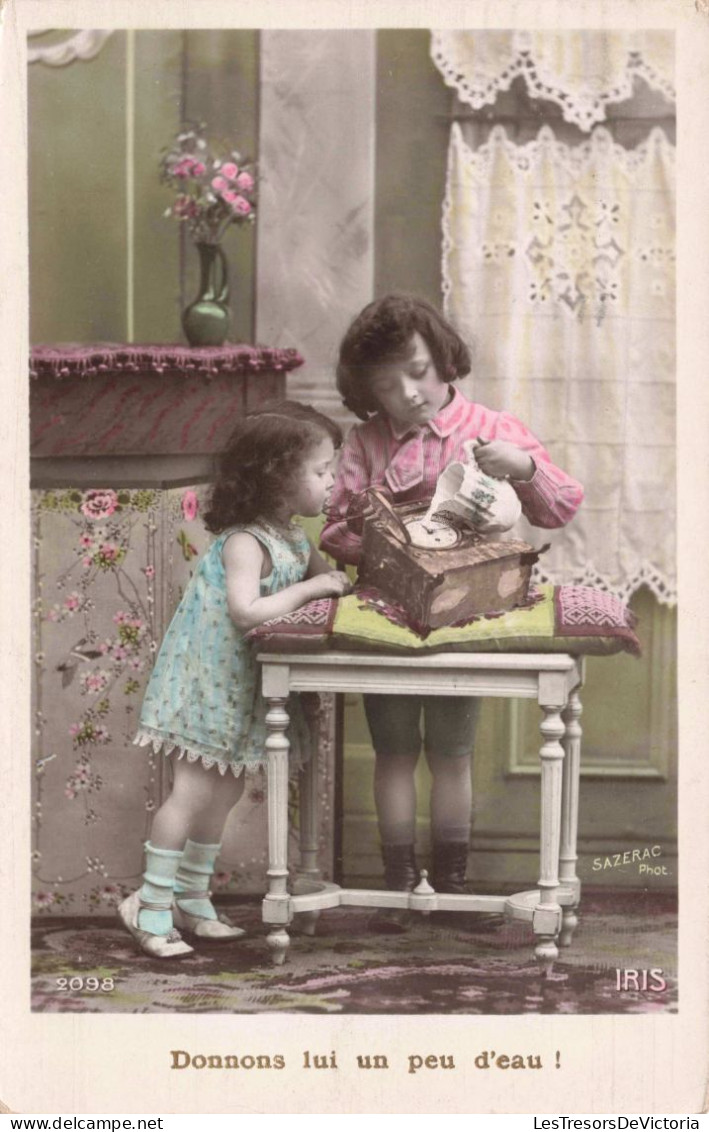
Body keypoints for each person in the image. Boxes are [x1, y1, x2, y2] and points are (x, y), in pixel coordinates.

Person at [320, 294, 583, 922]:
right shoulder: (363, 444)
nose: (409, 392)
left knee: (451, 753)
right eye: (387, 385)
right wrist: (377, 530)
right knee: (393, 752)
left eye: (417, 370)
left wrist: (521, 467)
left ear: (442, 358)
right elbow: (332, 530)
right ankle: (398, 879)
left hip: (462, 620)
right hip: (385, 617)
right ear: (368, 393)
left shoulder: (490, 429)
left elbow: (562, 505)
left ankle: (452, 876)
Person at [121, 402, 351, 958]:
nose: (331, 481)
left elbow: (335, 578)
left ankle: (192, 899)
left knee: (222, 795)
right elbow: (248, 611)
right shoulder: (245, 541)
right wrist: (311, 591)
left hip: (241, 687)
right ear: (275, 477)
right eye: (321, 471)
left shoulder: (294, 537)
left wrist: (343, 561)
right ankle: (149, 907)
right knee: (193, 793)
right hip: (206, 683)